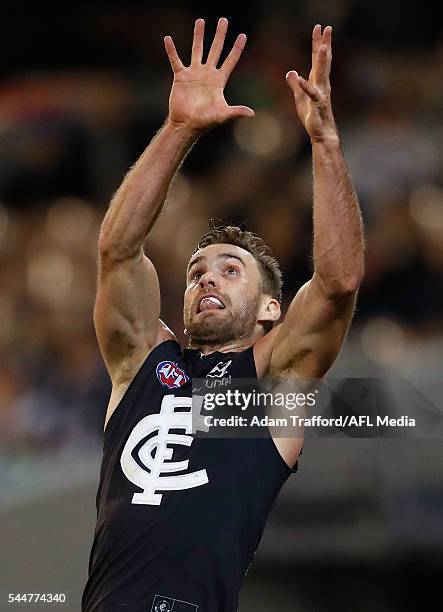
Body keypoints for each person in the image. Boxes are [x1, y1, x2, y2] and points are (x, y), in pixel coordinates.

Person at [82, 17, 364, 612]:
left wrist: (324, 145)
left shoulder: (275, 380)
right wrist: (178, 129)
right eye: (197, 270)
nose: (207, 275)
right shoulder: (140, 363)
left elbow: (338, 285)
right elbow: (117, 250)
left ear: (270, 309)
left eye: (231, 269)